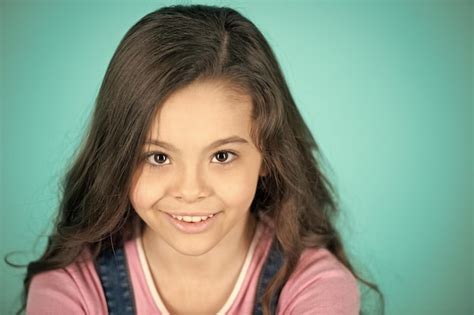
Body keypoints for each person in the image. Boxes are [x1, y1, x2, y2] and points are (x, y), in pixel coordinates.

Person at [11, 4, 384, 315]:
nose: (191, 191)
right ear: (119, 158)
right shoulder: (70, 290)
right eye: (158, 157)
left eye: (222, 156)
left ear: (268, 155)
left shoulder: (316, 287)